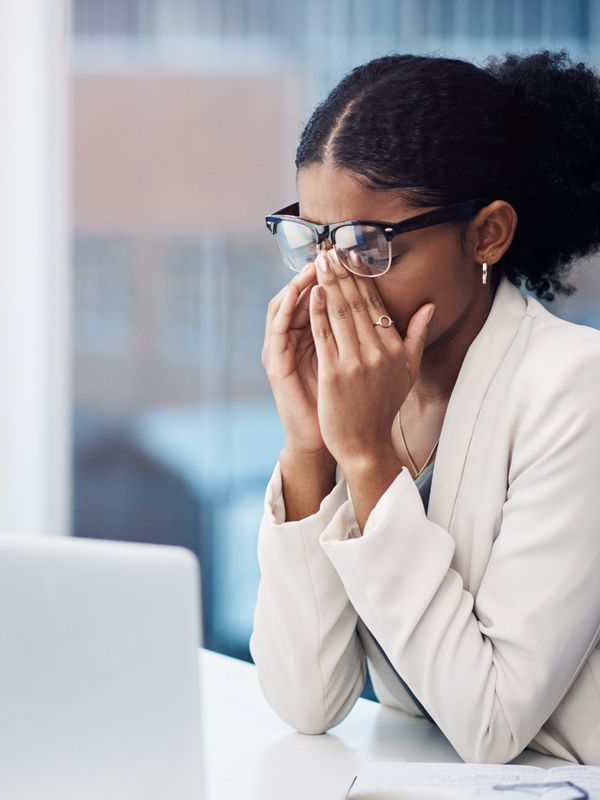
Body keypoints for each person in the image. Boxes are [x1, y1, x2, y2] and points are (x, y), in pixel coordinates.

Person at [250, 49, 600, 766]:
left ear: (487, 235)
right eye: (315, 240)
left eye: (368, 246)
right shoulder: (365, 395)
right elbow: (306, 700)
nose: (330, 282)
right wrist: (309, 451)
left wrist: (369, 460)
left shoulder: (576, 388)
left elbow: (492, 725)